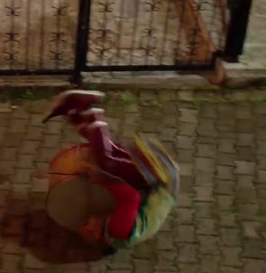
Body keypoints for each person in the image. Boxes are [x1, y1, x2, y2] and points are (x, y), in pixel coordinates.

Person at [44, 90, 179, 254]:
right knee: (105, 164)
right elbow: (130, 196)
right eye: (86, 224)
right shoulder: (117, 231)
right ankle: (89, 106)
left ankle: (73, 111)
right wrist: (100, 179)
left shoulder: (118, 237)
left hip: (158, 183)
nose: (87, 218)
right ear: (95, 234)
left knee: (103, 149)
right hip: (161, 179)